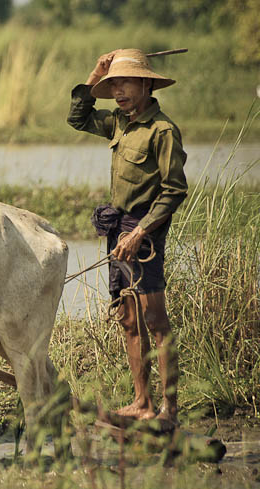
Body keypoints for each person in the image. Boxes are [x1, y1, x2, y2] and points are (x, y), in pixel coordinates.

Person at [67, 49, 188, 424]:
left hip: (145, 233)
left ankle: (168, 410)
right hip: (118, 228)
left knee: (155, 319)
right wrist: (95, 73)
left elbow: (173, 190)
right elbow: (77, 117)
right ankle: (142, 403)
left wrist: (139, 232)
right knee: (127, 318)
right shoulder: (118, 122)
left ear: (147, 84)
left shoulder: (162, 130)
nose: (118, 91)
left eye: (125, 82)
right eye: (114, 84)